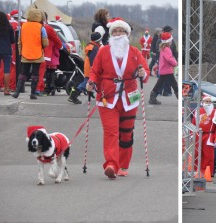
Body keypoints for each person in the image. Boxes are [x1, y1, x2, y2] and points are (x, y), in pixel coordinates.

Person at [85, 18, 148, 179]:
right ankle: (111, 164)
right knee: (111, 132)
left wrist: (143, 74)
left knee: (126, 134)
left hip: (129, 98)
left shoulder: (135, 52)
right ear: (110, 34)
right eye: (115, 31)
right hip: (107, 97)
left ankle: (123, 164)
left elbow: (145, 72)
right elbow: (95, 71)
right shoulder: (103, 51)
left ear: (127, 34)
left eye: (121, 31)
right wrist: (91, 82)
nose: (118, 34)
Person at [14, 8, 49, 100]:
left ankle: (17, 91)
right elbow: (45, 43)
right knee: (35, 74)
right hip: (37, 54)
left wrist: (21, 51)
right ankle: (32, 93)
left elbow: (19, 41)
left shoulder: (23, 26)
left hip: (25, 54)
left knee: (23, 73)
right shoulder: (41, 27)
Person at [70, 27, 104, 105]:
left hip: (88, 68)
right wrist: (95, 69)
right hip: (91, 69)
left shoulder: (90, 46)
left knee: (90, 82)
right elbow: (93, 61)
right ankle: (74, 95)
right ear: (98, 40)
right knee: (87, 83)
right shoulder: (94, 48)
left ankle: (89, 92)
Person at [148, 32, 177, 105]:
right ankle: (180, 97)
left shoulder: (163, 48)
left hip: (164, 70)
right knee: (174, 84)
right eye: (171, 40)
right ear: (168, 41)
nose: (171, 42)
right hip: (167, 70)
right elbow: (169, 58)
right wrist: (175, 63)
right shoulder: (167, 49)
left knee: (160, 84)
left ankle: (153, 97)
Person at [0, 11, 16, 96]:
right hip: (7, 50)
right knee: (7, 70)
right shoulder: (9, 27)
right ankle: (6, 90)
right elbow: (13, 40)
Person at [196, 96, 216, 177]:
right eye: (206, 101)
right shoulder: (198, 111)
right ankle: (198, 171)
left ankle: (207, 172)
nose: (208, 103)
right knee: (198, 154)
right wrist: (192, 134)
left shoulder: (215, 112)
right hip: (199, 135)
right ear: (202, 102)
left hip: (209, 136)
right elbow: (194, 123)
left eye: (209, 102)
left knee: (208, 156)